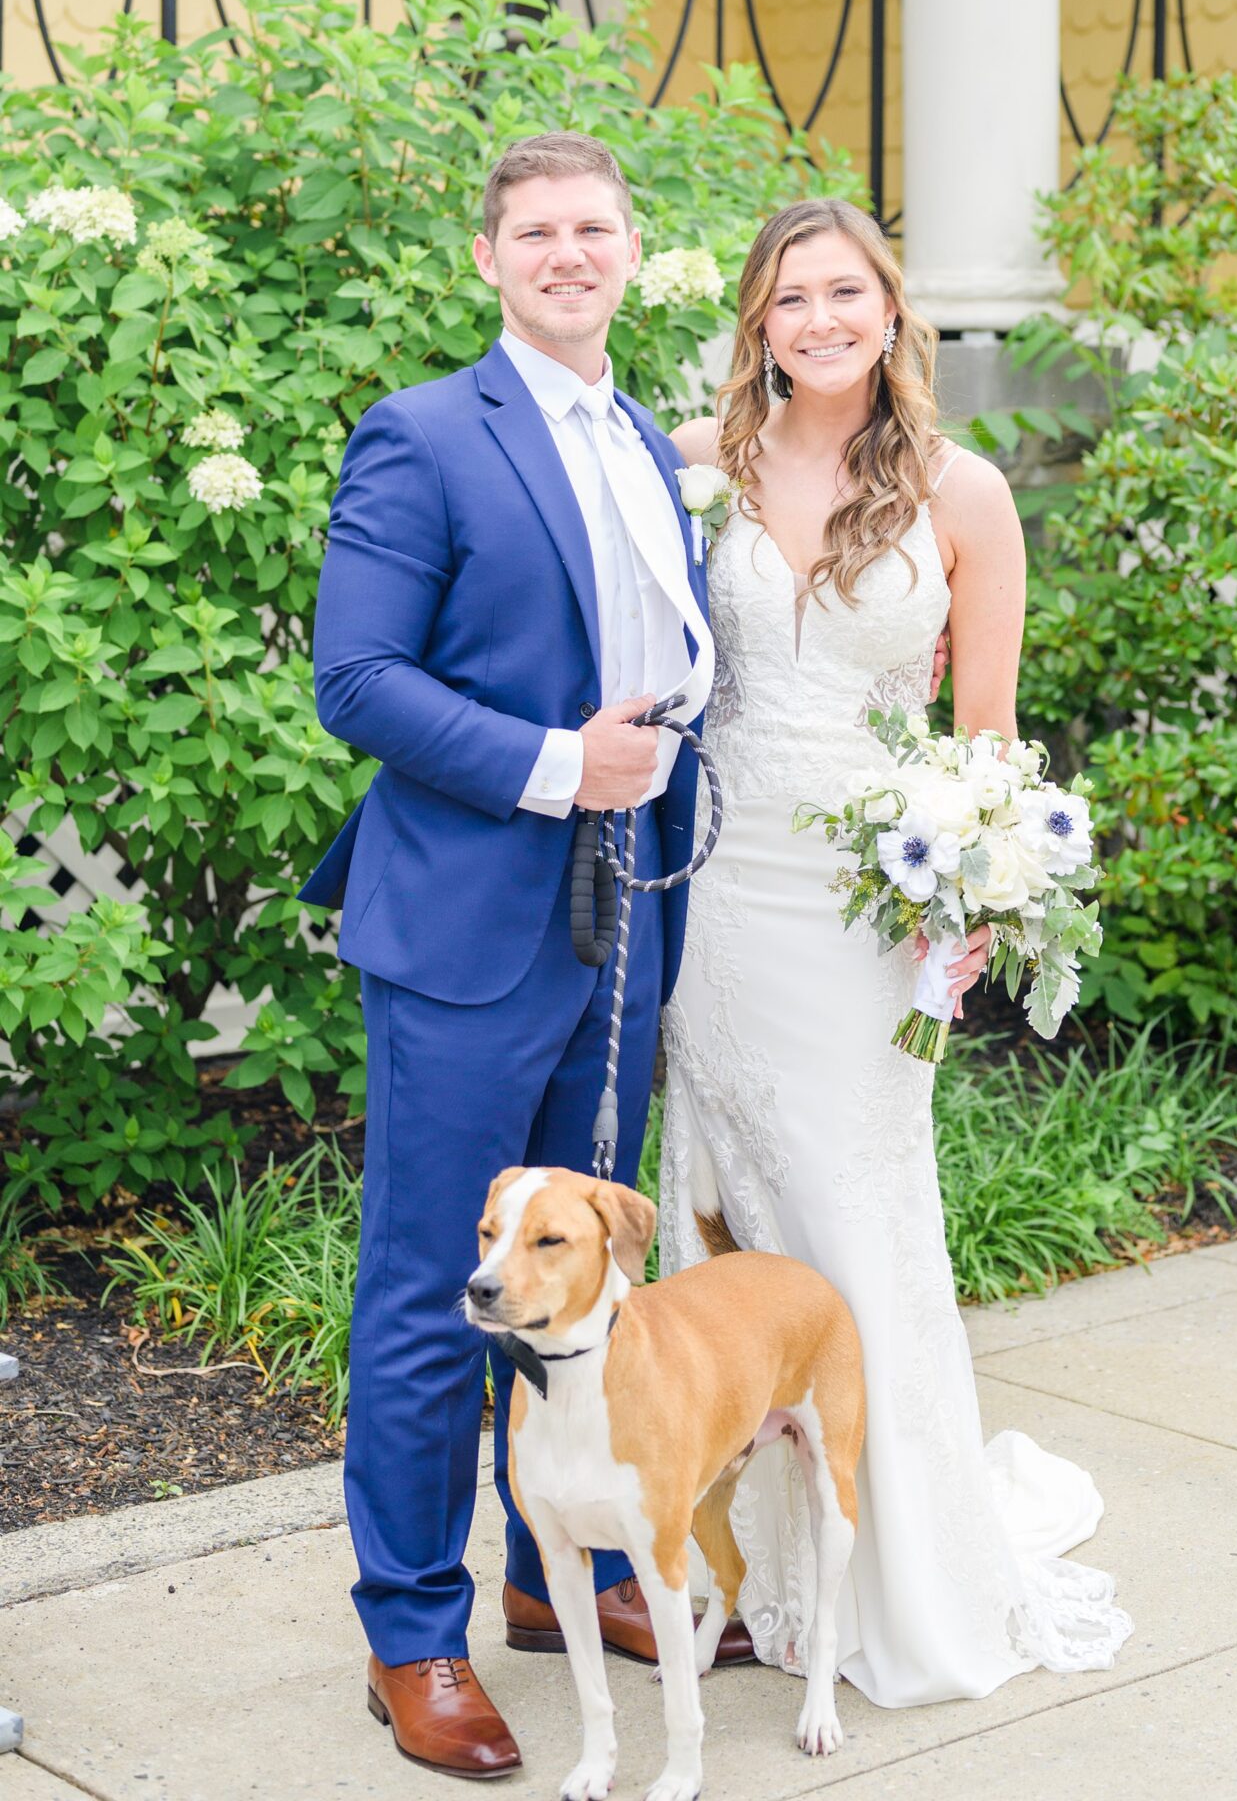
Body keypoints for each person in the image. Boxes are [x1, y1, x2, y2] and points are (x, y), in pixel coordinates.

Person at [302, 130, 746, 1784]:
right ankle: (414, 1633)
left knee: (581, 1274)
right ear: (487, 259)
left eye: (596, 228)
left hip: (627, 918)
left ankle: (573, 1579)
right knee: (445, 1292)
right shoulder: (422, 437)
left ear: (633, 253)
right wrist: (561, 764)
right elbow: (356, 682)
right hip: (475, 929)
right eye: (537, 230)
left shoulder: (643, 435)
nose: (569, 251)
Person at [661, 195, 1133, 1706]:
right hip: (720, 890)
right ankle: (739, 1569)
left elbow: (984, 736)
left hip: (869, 908)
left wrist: (983, 894)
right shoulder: (696, 469)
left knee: (860, 1218)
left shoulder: (962, 490)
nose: (818, 320)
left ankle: (902, 1575)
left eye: (844, 293)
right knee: (728, 1216)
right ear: (758, 320)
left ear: (890, 309)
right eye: (790, 298)